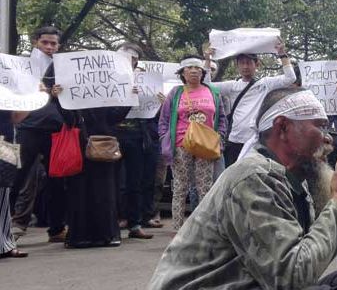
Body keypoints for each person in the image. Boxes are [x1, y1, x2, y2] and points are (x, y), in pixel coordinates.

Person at [148, 87, 337, 289]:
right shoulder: (255, 177)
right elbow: (291, 278)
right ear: (283, 127)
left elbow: (307, 255)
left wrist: (331, 201)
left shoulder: (290, 180)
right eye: (320, 126)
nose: (328, 138)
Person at [50, 80, 133, 248]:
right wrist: (57, 98)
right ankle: (81, 236)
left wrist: (130, 99)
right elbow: (69, 120)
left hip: (103, 148)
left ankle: (106, 235)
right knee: (80, 192)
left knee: (105, 192)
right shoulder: (72, 98)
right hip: (80, 148)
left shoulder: (104, 95)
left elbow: (115, 117)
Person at [10, 26, 66, 243]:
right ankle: (9, 226)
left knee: (57, 181)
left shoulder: (63, 68)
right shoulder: (21, 66)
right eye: (45, 42)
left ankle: (56, 229)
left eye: (54, 43)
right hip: (29, 128)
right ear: (35, 42)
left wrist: (55, 94)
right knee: (17, 178)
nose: (50, 47)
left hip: (54, 129)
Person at [158, 56, 227, 230]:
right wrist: (165, 140)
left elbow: (222, 118)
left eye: (198, 68)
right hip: (181, 145)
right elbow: (164, 119)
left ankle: (202, 230)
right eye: (189, 68)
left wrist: (220, 139)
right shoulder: (176, 93)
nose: (194, 71)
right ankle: (178, 228)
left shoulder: (213, 92)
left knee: (205, 188)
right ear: (182, 73)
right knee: (180, 188)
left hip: (206, 145)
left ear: (203, 72)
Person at [211, 41, 296, 167]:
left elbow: (290, 78)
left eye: (249, 62)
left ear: (256, 65)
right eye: (242, 63)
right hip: (235, 140)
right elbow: (207, 86)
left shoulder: (265, 83)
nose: (245, 66)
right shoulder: (232, 86)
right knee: (233, 178)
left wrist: (282, 54)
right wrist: (208, 60)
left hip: (256, 141)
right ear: (237, 66)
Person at [113, 42, 162, 238]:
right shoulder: (106, 80)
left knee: (134, 181)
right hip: (111, 137)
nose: (128, 62)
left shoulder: (145, 81)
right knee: (113, 182)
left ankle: (134, 224)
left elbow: (153, 112)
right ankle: (113, 221)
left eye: (132, 59)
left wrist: (160, 102)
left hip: (138, 136)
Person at [1, 110, 29, 259]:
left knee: (4, 193)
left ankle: (6, 244)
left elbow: (17, 117)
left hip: (5, 142)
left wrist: (32, 99)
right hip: (5, 141)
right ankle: (6, 245)